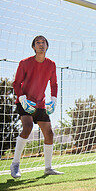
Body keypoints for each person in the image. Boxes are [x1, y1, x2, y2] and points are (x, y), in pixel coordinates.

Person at [11, 35, 63, 178]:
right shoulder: (24, 63)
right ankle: (15, 164)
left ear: (47, 46)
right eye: (37, 43)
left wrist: (53, 100)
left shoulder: (51, 64)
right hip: (25, 102)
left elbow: (54, 84)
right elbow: (16, 83)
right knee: (27, 127)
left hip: (40, 103)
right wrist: (22, 98)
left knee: (50, 133)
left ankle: (48, 168)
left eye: (43, 42)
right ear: (33, 47)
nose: (41, 45)